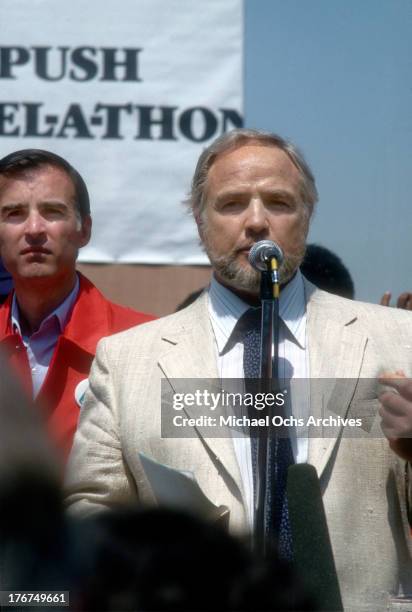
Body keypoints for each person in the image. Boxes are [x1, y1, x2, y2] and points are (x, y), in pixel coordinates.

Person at [66, 129, 412, 611]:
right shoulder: (127, 361)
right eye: (231, 204)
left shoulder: (400, 341)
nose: (256, 222)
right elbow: (87, 515)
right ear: (199, 221)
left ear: (306, 217)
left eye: (278, 202)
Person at [0, 149, 153, 460]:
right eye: (14, 213)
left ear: (85, 229)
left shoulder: (149, 342)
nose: (34, 230)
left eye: (52, 211)